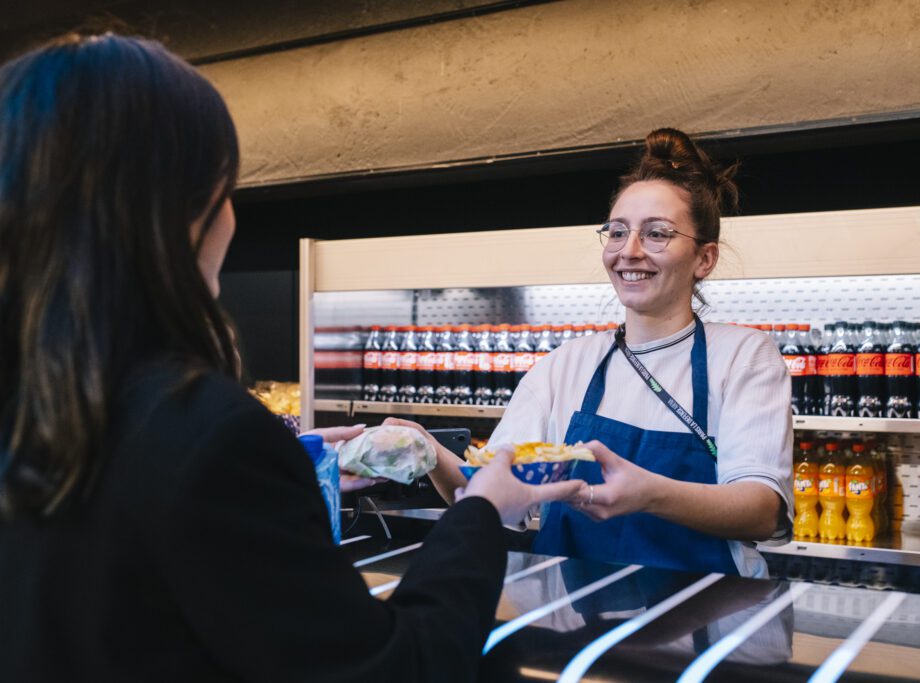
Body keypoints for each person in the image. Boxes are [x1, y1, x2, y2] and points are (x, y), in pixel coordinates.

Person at [0, 34, 582, 682]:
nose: (232, 218)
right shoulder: (208, 435)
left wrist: (287, 473)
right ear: (173, 211)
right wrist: (481, 510)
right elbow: (394, 668)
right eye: (225, 189)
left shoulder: (41, 403)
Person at [392, 128, 793, 578]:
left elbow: (762, 510)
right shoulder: (565, 366)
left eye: (657, 234)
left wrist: (650, 494)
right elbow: (495, 493)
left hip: (703, 615)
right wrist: (427, 452)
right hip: (572, 618)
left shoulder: (743, 356)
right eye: (618, 232)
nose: (629, 251)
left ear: (705, 259)